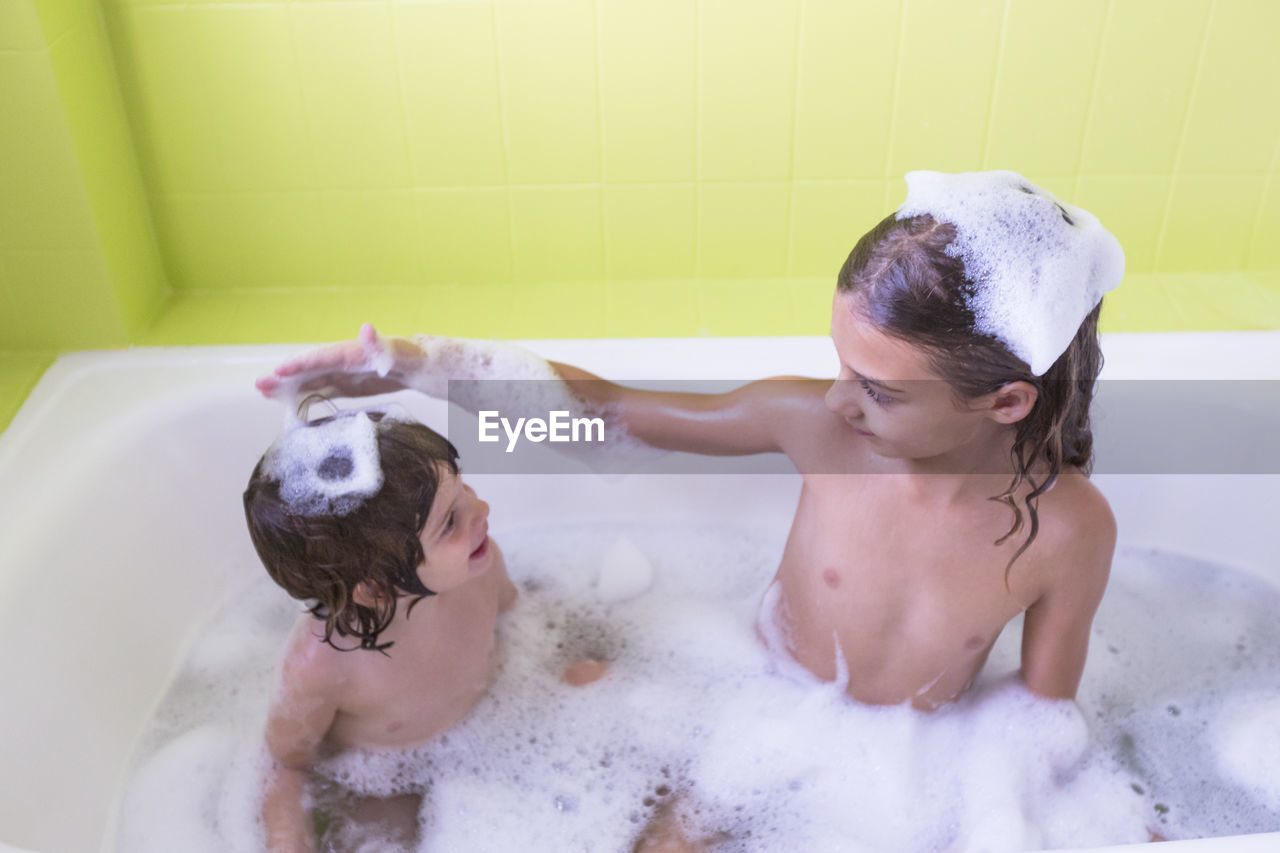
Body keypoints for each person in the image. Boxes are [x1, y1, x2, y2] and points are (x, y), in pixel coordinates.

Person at [256, 172, 1123, 842]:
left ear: (1007, 402)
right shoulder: (817, 431)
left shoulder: (1071, 529)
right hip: (749, 715)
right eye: (839, 365)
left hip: (913, 770)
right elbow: (609, 421)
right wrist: (418, 365)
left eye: (879, 390)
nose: (837, 401)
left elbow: (1039, 718)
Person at [244, 408, 519, 851]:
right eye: (449, 522)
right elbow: (284, 763)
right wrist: (285, 838)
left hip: (491, 735)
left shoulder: (481, 567)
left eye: (462, 485)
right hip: (379, 780)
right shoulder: (322, 666)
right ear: (374, 588)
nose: (481, 509)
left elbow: (514, 622)